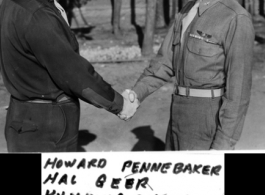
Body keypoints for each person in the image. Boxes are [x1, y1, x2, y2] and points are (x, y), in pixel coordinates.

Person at [0, 0, 137, 152]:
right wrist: (120, 104)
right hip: (47, 121)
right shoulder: (39, 15)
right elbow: (75, 75)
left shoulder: (10, 4)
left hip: (20, 116)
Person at [122, 0, 255, 150]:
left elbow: (239, 91)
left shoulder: (235, 17)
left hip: (207, 118)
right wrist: (135, 95)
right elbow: (164, 62)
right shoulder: (186, 10)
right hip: (177, 115)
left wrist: (223, 144)